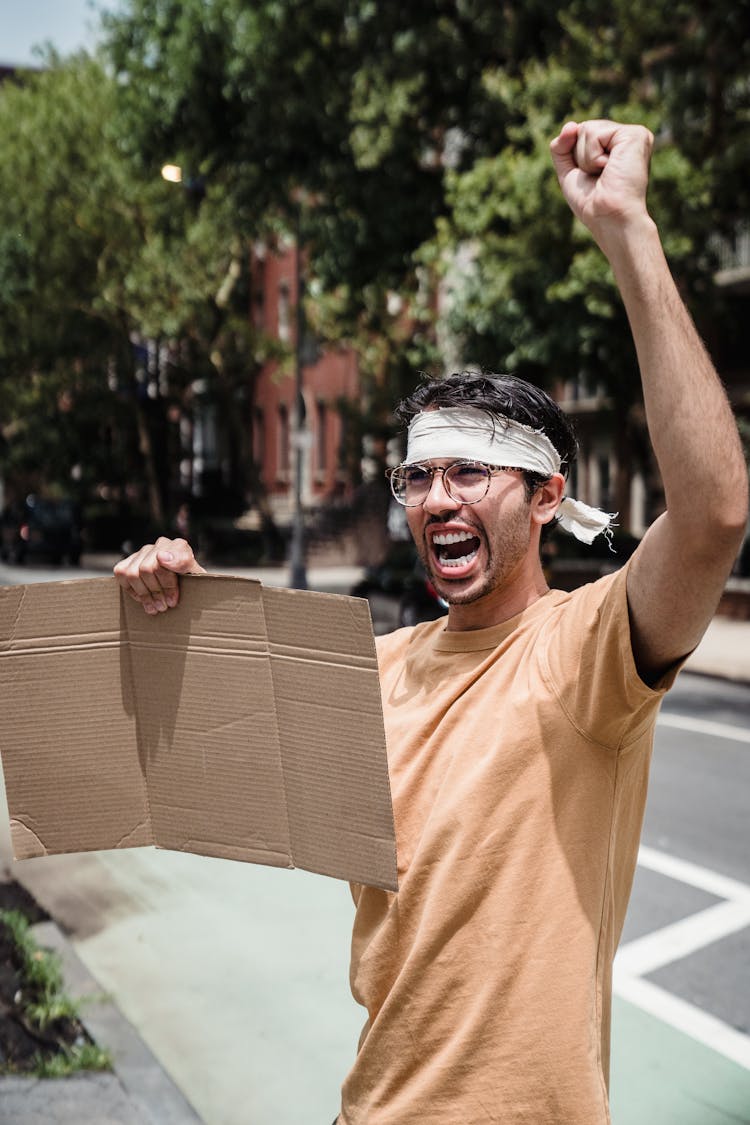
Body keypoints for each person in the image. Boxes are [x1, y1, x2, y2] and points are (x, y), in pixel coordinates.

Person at [114, 120, 748, 1124]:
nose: (436, 498)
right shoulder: (371, 670)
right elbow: (185, 765)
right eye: (416, 475)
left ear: (546, 498)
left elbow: (714, 515)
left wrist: (628, 230)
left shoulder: (586, 656)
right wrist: (166, 614)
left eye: (470, 471)